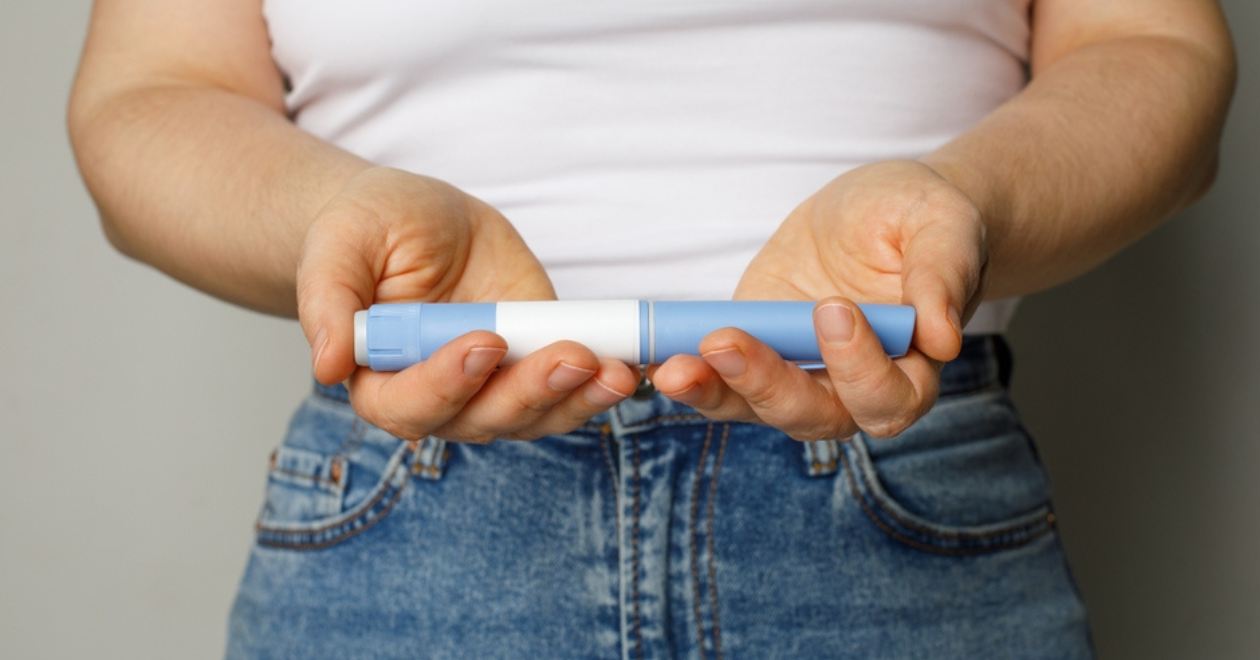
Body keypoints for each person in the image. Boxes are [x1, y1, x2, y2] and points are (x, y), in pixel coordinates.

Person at [68, 0, 1235, 658]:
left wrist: (958, 206)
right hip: (417, 505)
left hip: (897, 481)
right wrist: (334, 218)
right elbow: (151, 94)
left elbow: (1152, 51)